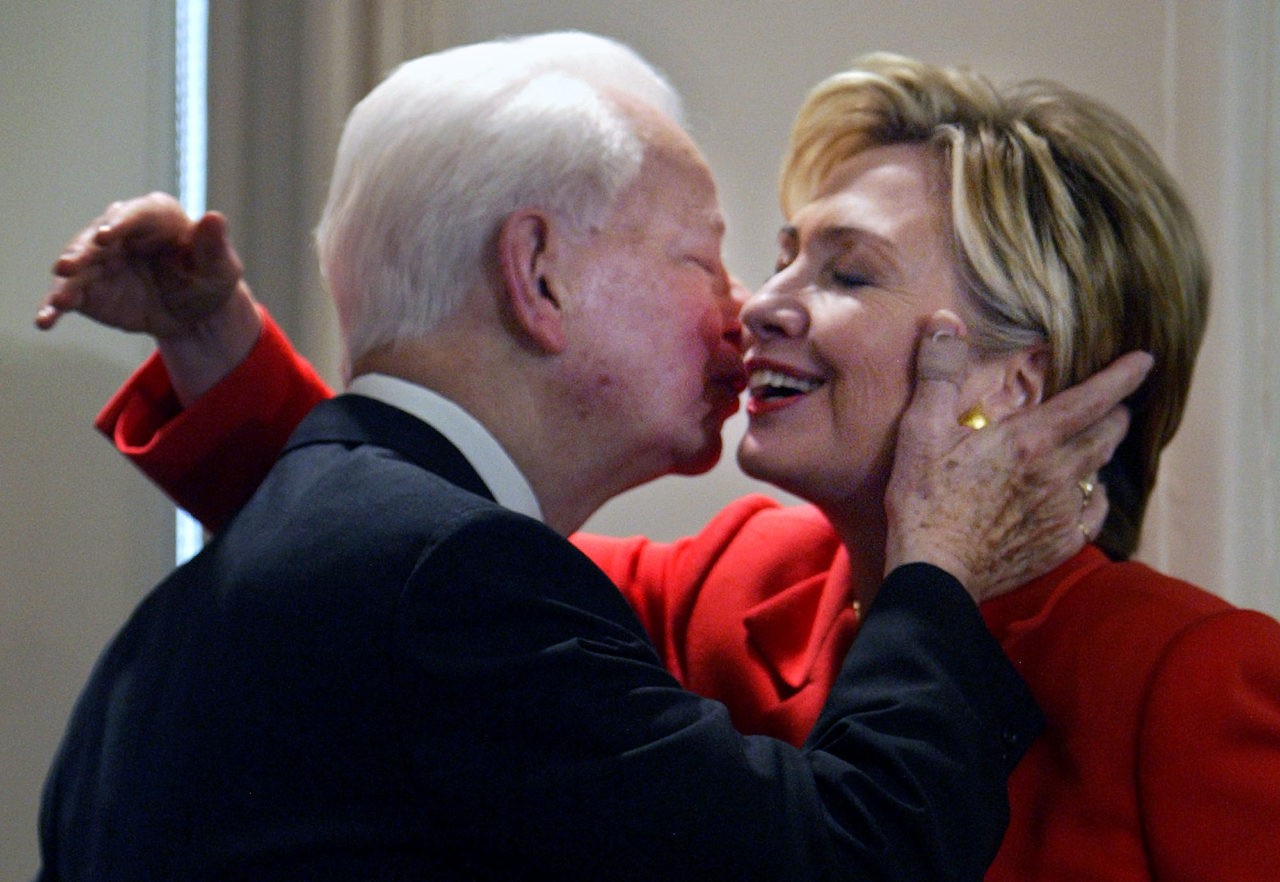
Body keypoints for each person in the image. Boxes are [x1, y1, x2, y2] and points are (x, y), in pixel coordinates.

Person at [47, 50, 1280, 880]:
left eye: (844, 272)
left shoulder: (1195, 682)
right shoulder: (745, 583)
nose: (761, 303)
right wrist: (219, 348)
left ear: (1011, 383)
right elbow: (376, 581)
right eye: (782, 254)